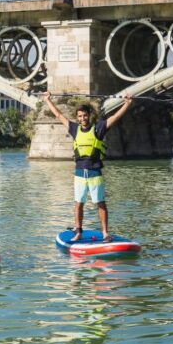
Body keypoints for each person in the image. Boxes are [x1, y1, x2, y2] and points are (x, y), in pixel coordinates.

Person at [41, 92, 133, 242]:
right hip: (79, 175)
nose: (82, 119)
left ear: (89, 115)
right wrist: (47, 100)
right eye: (80, 116)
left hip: (95, 173)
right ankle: (78, 232)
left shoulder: (99, 128)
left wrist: (127, 104)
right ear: (77, 117)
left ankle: (105, 233)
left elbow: (114, 118)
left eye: (85, 116)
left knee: (100, 204)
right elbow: (58, 115)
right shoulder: (74, 129)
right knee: (79, 204)